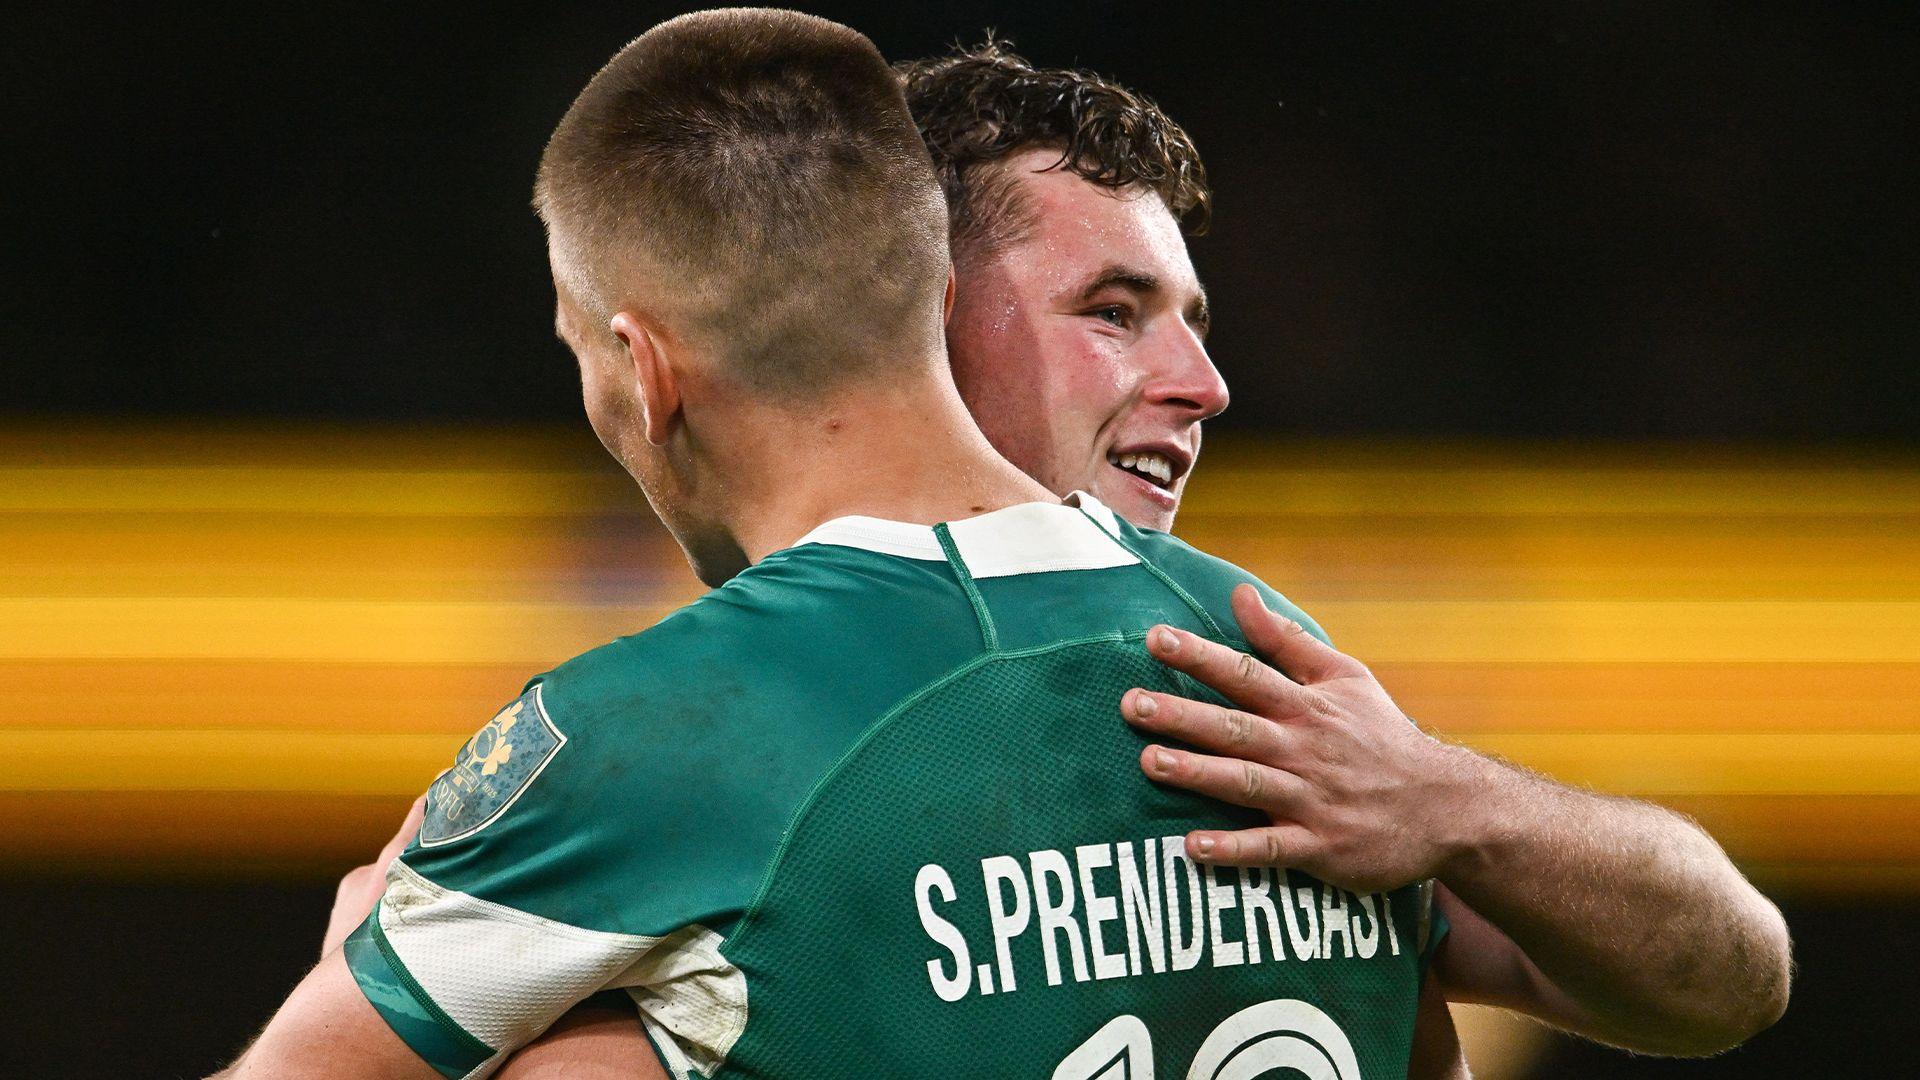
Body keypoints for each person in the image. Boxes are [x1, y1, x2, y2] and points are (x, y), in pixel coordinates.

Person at [324, 37, 1791, 1080]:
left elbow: (1732, 974)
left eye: (1193, 317)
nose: (1204, 383)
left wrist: (1451, 801)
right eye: (1115, 309)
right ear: (911, 309)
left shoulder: (1240, 683)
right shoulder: (748, 720)